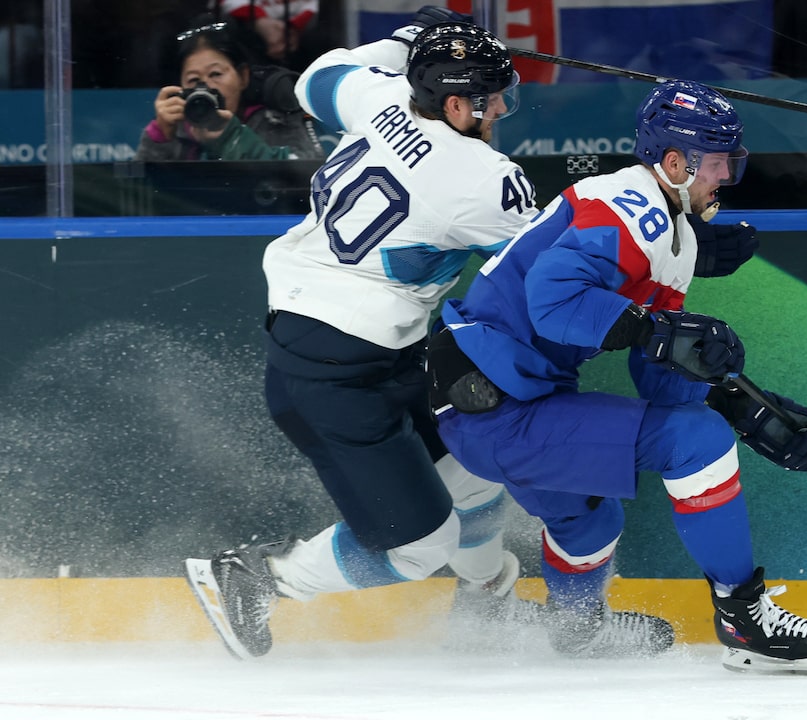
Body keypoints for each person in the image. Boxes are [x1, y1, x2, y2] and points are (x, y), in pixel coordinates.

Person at [427, 79, 807, 672]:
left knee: (589, 519)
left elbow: (660, 378)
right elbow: (552, 300)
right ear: (675, 163)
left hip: (498, 401)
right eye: (717, 161)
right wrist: (656, 332)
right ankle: (743, 616)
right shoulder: (632, 208)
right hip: (495, 405)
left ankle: (576, 630)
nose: (726, 175)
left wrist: (740, 403)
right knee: (697, 442)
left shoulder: (671, 233)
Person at [183, 10, 544, 660]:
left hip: (340, 343)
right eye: (492, 98)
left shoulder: (380, 98)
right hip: (340, 370)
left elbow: (317, 78)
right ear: (456, 104)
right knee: (420, 549)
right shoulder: (482, 182)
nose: (500, 110)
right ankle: (257, 578)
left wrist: (406, 42)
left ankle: (487, 599)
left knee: (475, 467)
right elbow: (555, 272)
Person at [135, 19, 324, 161]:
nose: (205, 86)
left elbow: (309, 179)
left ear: (243, 77)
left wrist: (231, 138)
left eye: (216, 74)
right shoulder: (177, 128)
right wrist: (161, 137)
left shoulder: (275, 120)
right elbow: (140, 194)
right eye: (193, 80)